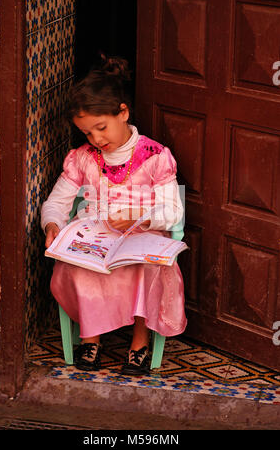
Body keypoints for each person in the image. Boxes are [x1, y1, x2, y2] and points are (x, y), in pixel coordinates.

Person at [41, 55, 187, 375]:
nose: (96, 140)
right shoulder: (82, 158)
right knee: (79, 267)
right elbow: (55, 203)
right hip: (96, 235)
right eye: (87, 133)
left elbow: (172, 209)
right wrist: (52, 224)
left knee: (143, 269)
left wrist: (142, 216)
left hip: (142, 235)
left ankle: (139, 340)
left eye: (101, 128)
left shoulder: (155, 156)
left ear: (123, 112)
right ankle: (90, 338)